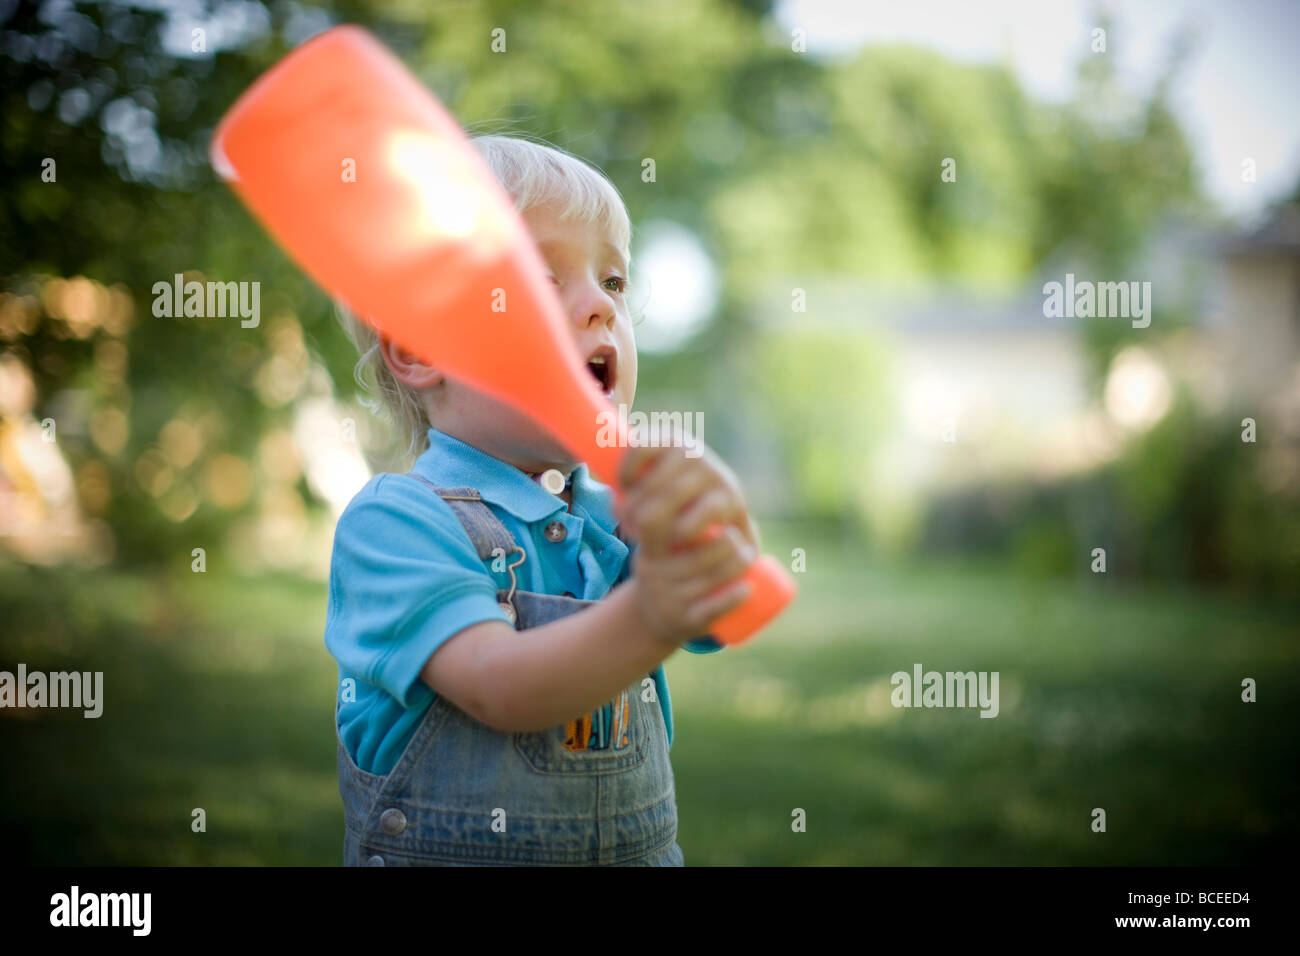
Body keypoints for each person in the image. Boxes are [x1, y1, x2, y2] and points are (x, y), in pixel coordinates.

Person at [326, 133, 761, 865]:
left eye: (614, 282)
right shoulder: (397, 523)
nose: (599, 305)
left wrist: (716, 532)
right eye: (538, 276)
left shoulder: (613, 513)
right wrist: (652, 608)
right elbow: (502, 688)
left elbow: (728, 617)